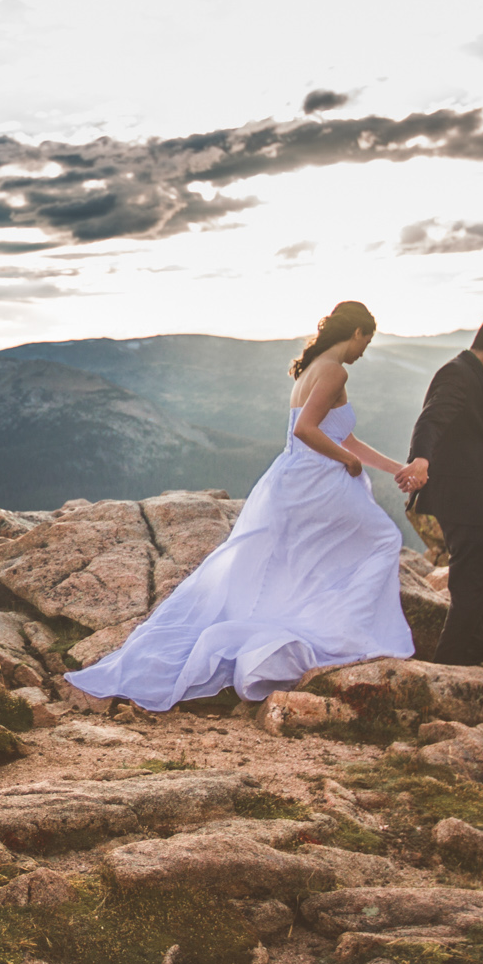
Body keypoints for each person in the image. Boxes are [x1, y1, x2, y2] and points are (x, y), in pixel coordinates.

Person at [65, 300, 416, 711]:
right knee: (383, 538)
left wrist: (396, 468)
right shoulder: (336, 370)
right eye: (366, 342)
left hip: (294, 479)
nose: (364, 352)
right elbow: (309, 431)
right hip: (318, 480)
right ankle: (346, 635)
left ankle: (323, 628)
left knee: (302, 559)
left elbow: (344, 434)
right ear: (356, 332)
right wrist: (348, 463)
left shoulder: (313, 366)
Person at [394, 314, 483, 666]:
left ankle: (475, 644)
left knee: (479, 568)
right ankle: (451, 658)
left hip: (469, 490)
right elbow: (432, 418)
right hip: (459, 495)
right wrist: (420, 459)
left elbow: (471, 438)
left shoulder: (471, 373)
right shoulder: (457, 373)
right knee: (472, 574)